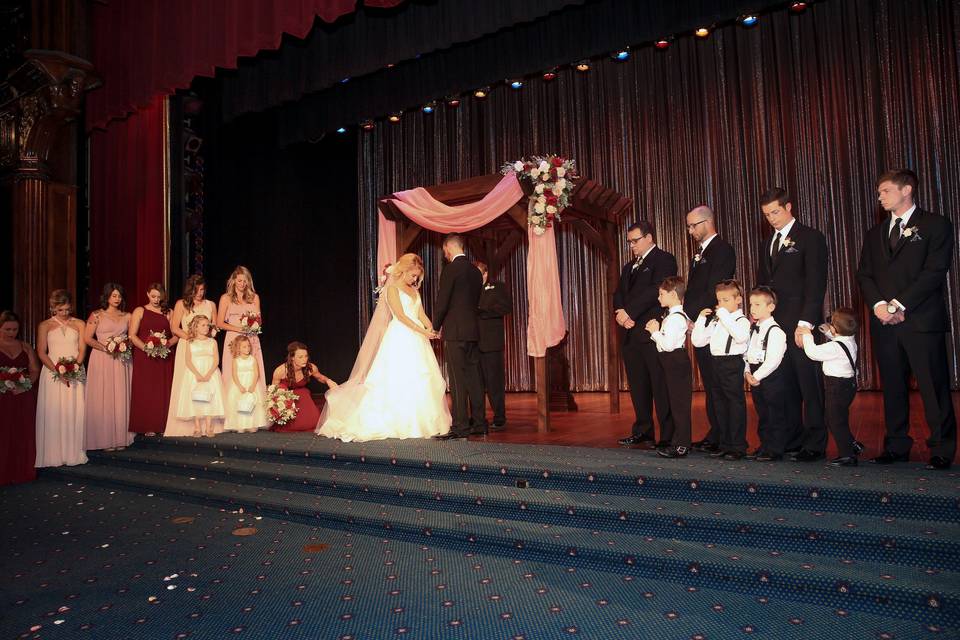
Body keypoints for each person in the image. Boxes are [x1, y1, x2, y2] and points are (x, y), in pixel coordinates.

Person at [857, 168, 956, 470]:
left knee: (932, 385)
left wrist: (898, 304)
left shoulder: (935, 225)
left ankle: (941, 448)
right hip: (884, 324)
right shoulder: (875, 233)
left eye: (885, 190)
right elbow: (865, 274)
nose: (880, 196)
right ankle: (896, 445)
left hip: (921, 321)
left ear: (906, 190)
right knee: (893, 387)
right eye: (879, 192)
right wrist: (877, 306)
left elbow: (935, 272)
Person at [318, 253, 451, 441]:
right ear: (403, 271)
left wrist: (431, 328)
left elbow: (420, 313)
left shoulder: (414, 291)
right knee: (397, 377)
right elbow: (402, 316)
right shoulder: (392, 290)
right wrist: (422, 332)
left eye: (417, 277)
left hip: (417, 340)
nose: (414, 279)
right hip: (400, 336)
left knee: (421, 377)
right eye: (412, 275)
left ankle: (423, 421)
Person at [755, 188, 828, 462]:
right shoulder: (767, 242)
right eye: (766, 215)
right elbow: (764, 284)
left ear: (788, 207)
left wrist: (806, 323)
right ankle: (791, 439)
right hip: (775, 327)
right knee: (781, 385)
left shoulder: (811, 238)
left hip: (800, 324)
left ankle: (815, 443)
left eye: (775, 212)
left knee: (809, 385)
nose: (771, 218)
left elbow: (815, 283)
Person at [613, 220, 678, 448]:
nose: (632, 245)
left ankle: (668, 435)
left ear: (649, 237)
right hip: (630, 332)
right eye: (629, 241)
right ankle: (643, 430)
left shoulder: (664, 259)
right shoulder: (628, 267)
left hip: (652, 331)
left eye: (635, 240)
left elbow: (656, 291)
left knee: (659, 384)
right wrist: (621, 313)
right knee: (638, 384)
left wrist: (630, 312)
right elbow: (619, 292)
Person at [683, 206, 736, 453]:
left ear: (708, 221)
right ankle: (716, 432)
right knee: (710, 384)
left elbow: (715, 289)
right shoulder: (700, 252)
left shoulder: (722, 249)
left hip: (712, 325)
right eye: (689, 226)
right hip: (699, 325)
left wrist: (697, 318)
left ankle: (726, 436)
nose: (690, 230)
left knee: (718, 383)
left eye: (694, 225)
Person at [432, 235, 486, 439]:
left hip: (455, 331)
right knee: (474, 379)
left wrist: (435, 326)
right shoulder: (475, 271)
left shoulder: (451, 270)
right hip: (473, 331)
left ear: (449, 247)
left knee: (457, 380)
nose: (444, 254)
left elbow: (443, 301)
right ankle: (480, 424)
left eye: (445, 250)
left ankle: (461, 427)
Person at [691, 280, 751, 459]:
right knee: (719, 404)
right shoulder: (718, 320)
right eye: (719, 301)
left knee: (735, 404)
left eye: (726, 300)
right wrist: (701, 320)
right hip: (715, 363)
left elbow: (740, 337)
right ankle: (725, 443)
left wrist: (724, 315)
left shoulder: (741, 321)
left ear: (738, 300)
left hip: (731, 364)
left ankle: (738, 446)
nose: (721, 305)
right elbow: (698, 341)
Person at [798, 308, 860, 466]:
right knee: (839, 418)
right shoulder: (850, 339)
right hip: (848, 385)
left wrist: (806, 334)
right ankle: (851, 445)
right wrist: (829, 333)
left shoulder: (834, 348)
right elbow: (839, 340)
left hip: (836, 387)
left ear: (835, 328)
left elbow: (812, 353)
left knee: (835, 421)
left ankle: (847, 455)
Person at [35, 290, 88, 468]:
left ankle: (74, 453)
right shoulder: (45, 325)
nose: (65, 313)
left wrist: (75, 368)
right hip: (52, 372)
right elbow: (41, 352)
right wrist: (59, 371)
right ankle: (53, 454)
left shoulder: (79, 323)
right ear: (53, 308)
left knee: (75, 409)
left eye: (67, 309)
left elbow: (82, 349)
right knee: (55, 411)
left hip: (75, 371)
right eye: (60, 310)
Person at [165, 274, 220, 436]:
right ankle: (189, 425)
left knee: (208, 384)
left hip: (205, 348)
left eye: (202, 289)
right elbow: (174, 328)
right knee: (188, 383)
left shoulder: (211, 305)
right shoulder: (181, 304)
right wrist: (192, 338)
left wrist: (209, 336)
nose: (200, 293)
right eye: (197, 290)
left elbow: (214, 326)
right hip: (188, 345)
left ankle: (209, 424)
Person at [644, 277, 692, 458]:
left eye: (661, 294)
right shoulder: (673, 317)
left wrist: (655, 331)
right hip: (670, 361)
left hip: (675, 360)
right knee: (674, 403)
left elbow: (669, 345)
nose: (658, 298)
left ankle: (682, 445)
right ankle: (677, 441)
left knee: (679, 405)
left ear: (673, 295)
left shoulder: (675, 319)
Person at [216, 266, 268, 430]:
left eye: (245, 281)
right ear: (233, 281)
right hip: (234, 340)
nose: (242, 283)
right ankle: (234, 419)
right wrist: (240, 329)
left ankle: (255, 419)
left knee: (253, 374)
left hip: (252, 340)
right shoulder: (226, 298)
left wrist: (252, 327)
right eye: (239, 280)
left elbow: (259, 321)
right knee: (235, 375)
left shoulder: (254, 297)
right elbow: (219, 323)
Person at [84, 282, 134, 451]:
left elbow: (133, 337)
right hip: (101, 359)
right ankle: (104, 439)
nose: (117, 299)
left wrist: (124, 345)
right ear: (107, 297)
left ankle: (121, 437)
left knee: (120, 395)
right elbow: (87, 338)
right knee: (103, 396)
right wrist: (106, 347)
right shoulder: (97, 315)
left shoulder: (128, 316)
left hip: (121, 359)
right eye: (114, 295)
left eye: (119, 296)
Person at [743, 287, 789, 462]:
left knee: (774, 413)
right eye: (751, 304)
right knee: (762, 413)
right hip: (755, 375)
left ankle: (775, 449)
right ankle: (765, 445)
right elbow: (747, 353)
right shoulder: (754, 329)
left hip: (771, 377)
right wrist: (747, 371)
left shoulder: (776, 331)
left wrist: (757, 376)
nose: (753, 308)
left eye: (757, 304)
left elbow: (774, 360)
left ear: (771, 307)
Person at [128, 283, 177, 436]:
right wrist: (147, 348)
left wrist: (166, 345)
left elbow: (176, 334)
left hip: (164, 356)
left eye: (159, 297)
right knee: (146, 389)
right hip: (145, 357)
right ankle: (147, 424)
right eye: (153, 296)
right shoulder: (139, 310)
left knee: (163, 389)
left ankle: (163, 424)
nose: (156, 300)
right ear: (148, 294)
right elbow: (132, 335)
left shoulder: (168, 312)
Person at [0, 311, 41, 485]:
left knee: (22, 432)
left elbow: (34, 370)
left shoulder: (25, 346)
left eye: (15, 329)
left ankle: (22, 470)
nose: (11, 333)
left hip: (23, 396)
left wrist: (24, 385)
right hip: (2, 397)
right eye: (7, 329)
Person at [173, 315, 224, 437]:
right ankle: (197, 426)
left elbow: (216, 359)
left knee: (210, 398)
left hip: (210, 372)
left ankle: (209, 426)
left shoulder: (212, 342)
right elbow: (188, 360)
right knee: (195, 399)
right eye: (203, 325)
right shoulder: (190, 342)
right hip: (194, 373)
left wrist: (208, 374)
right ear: (195, 327)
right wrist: (197, 374)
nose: (206, 328)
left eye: (208, 325)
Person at [475, 261, 512, 430]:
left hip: (491, 343)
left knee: (494, 382)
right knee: (476, 383)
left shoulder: (497, 287)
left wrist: (483, 311)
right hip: (474, 342)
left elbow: (505, 307)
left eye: (479, 274)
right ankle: (478, 418)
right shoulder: (469, 289)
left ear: (486, 273)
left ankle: (499, 417)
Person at [274, 341, 337, 433]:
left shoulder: (310, 368)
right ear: (292, 358)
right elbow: (273, 391)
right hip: (287, 398)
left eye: (306, 356)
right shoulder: (280, 371)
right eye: (300, 357)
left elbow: (320, 377)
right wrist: (279, 407)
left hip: (303, 395)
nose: (304, 359)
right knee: (291, 425)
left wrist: (329, 381)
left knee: (313, 422)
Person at [223, 335, 267, 433]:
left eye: (248, 346)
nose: (247, 348)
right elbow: (234, 374)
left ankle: (252, 424)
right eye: (244, 347)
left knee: (252, 403)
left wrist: (253, 385)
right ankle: (241, 425)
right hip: (240, 385)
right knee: (239, 404)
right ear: (238, 348)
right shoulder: (236, 360)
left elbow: (256, 373)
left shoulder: (252, 359)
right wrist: (239, 386)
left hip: (251, 384)